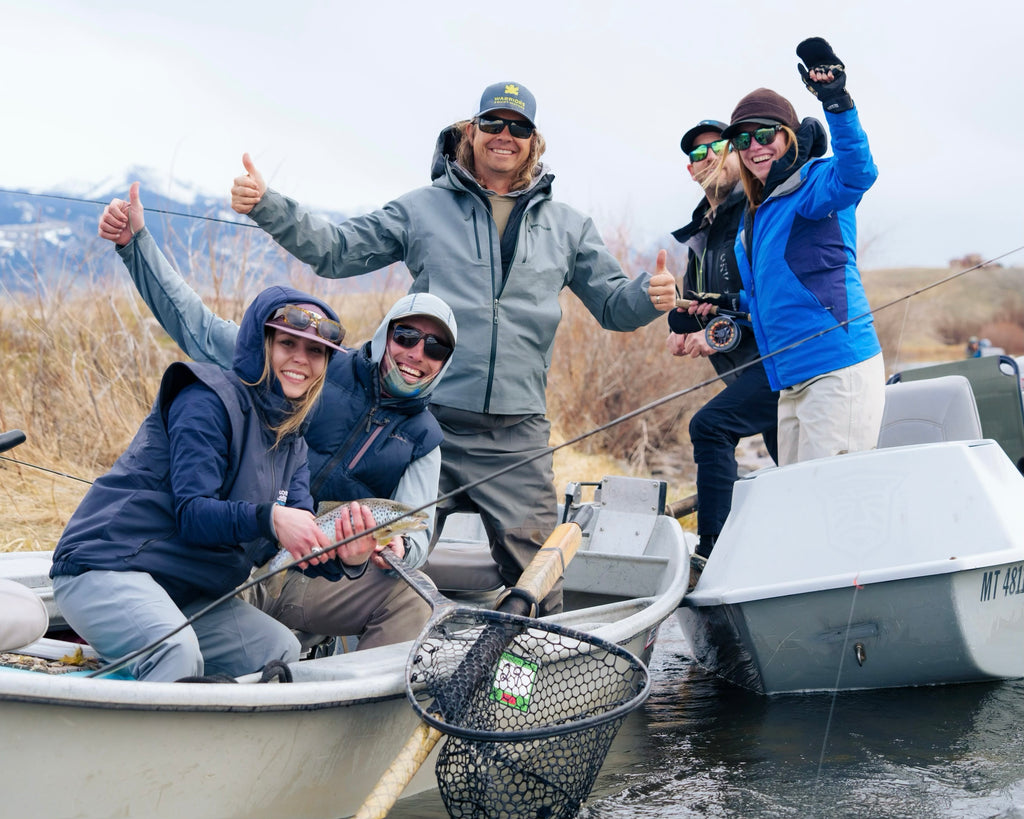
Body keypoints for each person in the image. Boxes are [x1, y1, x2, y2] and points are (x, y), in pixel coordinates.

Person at [229, 81, 670, 614]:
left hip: (516, 435)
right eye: (493, 123)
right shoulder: (422, 209)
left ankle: (523, 690)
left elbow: (614, 307)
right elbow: (337, 252)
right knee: (384, 562)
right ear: (471, 131)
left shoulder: (569, 226)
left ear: (534, 141)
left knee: (538, 582)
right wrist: (268, 206)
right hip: (422, 426)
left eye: (519, 127)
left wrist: (649, 295)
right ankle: (362, 672)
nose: (505, 135)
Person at [97, 183, 458, 650]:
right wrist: (135, 245)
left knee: (416, 599)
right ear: (385, 335)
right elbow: (199, 329)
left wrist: (395, 549)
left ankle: (349, 709)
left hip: (311, 571)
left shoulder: (425, 439)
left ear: (446, 361)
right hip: (234, 549)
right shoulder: (313, 361)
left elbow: (417, 528)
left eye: (435, 346)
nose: (416, 353)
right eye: (406, 335)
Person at [49, 282, 385, 681]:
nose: (301, 360)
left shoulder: (294, 444)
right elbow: (193, 514)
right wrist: (271, 519)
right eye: (287, 344)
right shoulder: (206, 400)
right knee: (177, 651)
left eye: (315, 351)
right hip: (104, 566)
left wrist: (348, 558)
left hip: (184, 591)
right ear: (260, 344)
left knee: (279, 650)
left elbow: (300, 548)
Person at [719, 37, 883, 466]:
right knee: (799, 508)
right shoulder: (758, 211)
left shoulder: (814, 183)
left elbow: (857, 173)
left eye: (765, 133)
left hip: (834, 372)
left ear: (788, 136)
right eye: (744, 139)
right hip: (790, 379)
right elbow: (774, 291)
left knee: (829, 509)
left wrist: (837, 102)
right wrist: (719, 307)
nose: (755, 146)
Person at [659, 119, 779, 586]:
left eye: (717, 148)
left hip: (781, 364)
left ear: (739, 156)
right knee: (786, 463)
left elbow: (763, 301)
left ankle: (712, 559)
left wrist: (717, 331)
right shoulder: (703, 232)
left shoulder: (754, 212)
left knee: (709, 426)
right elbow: (696, 303)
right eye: (695, 155)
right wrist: (676, 322)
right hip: (746, 375)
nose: (704, 158)